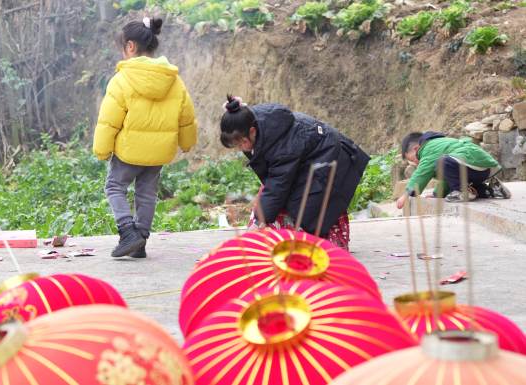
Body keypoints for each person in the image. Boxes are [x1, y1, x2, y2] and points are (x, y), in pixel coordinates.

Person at [93, 17, 197, 258]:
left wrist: (102, 150)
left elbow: (109, 120)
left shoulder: (122, 79)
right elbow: (186, 116)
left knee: (114, 186)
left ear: (130, 47)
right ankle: (141, 239)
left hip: (128, 152)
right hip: (158, 153)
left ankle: (128, 232)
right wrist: (187, 142)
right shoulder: (174, 80)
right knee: (146, 193)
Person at [220, 96, 370, 249]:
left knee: (309, 208)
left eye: (241, 143)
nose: (241, 148)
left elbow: (277, 186)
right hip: (306, 160)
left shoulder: (281, 144)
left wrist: (260, 222)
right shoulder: (251, 121)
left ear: (252, 131)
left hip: (328, 157)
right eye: (236, 145)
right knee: (276, 201)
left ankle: (327, 245)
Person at [395, 131, 510, 209]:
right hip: (483, 168)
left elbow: (421, 174)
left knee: (442, 162)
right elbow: (448, 177)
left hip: (469, 162)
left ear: (416, 148)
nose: (417, 163)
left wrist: (407, 194)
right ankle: (491, 189)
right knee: (447, 168)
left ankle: (462, 191)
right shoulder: (442, 144)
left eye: (414, 160)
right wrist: (438, 193)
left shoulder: (428, 148)